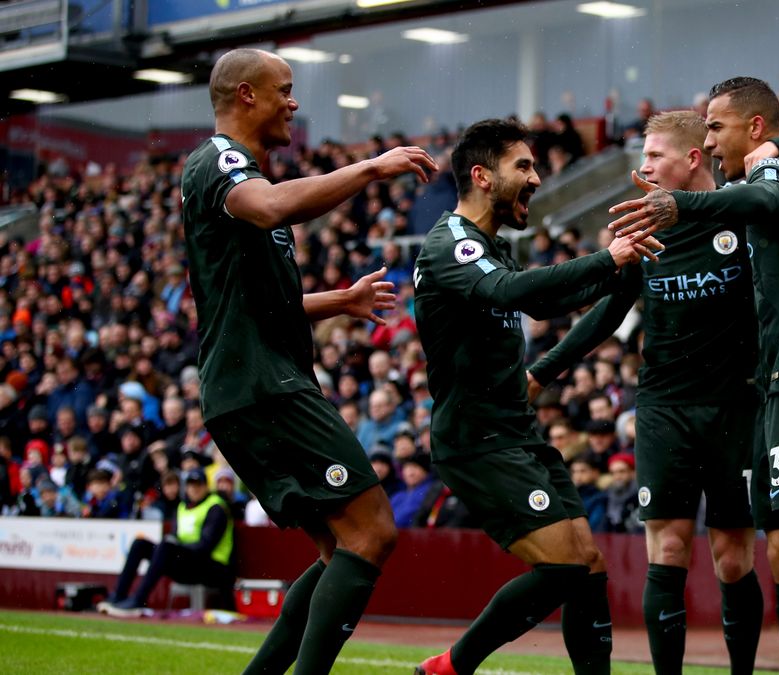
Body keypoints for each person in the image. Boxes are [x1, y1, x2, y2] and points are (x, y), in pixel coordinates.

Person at [530, 108, 779, 673]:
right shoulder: (645, 231)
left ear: (693, 158)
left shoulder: (749, 208)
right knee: (667, 550)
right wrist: (541, 373)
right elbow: (607, 313)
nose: (643, 169)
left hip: (740, 407)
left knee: (737, 561)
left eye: (653, 156)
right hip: (664, 408)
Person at [181, 47, 437, 674]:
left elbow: (259, 306)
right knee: (374, 532)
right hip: (264, 384)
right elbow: (270, 206)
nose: (294, 103)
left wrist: (339, 301)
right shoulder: (223, 162)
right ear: (246, 95)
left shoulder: (242, 174)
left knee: (340, 552)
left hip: (253, 382)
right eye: (284, 90)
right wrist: (372, 169)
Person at [411, 118, 657, 675]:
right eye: (523, 166)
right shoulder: (449, 243)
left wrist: (622, 280)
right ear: (481, 175)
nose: (537, 178)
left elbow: (542, 307)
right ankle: (451, 667)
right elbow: (509, 292)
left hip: (515, 430)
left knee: (589, 565)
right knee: (566, 569)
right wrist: (607, 260)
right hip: (476, 438)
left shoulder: (491, 246)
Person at [98, 469, 234, 617]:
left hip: (213, 567)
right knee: (140, 544)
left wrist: (175, 547)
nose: (194, 489)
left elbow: (205, 546)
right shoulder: (182, 507)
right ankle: (119, 595)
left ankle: (138, 600)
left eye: (198, 485)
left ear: (206, 486)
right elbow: (176, 535)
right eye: (191, 484)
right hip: (188, 563)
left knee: (166, 547)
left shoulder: (216, 508)